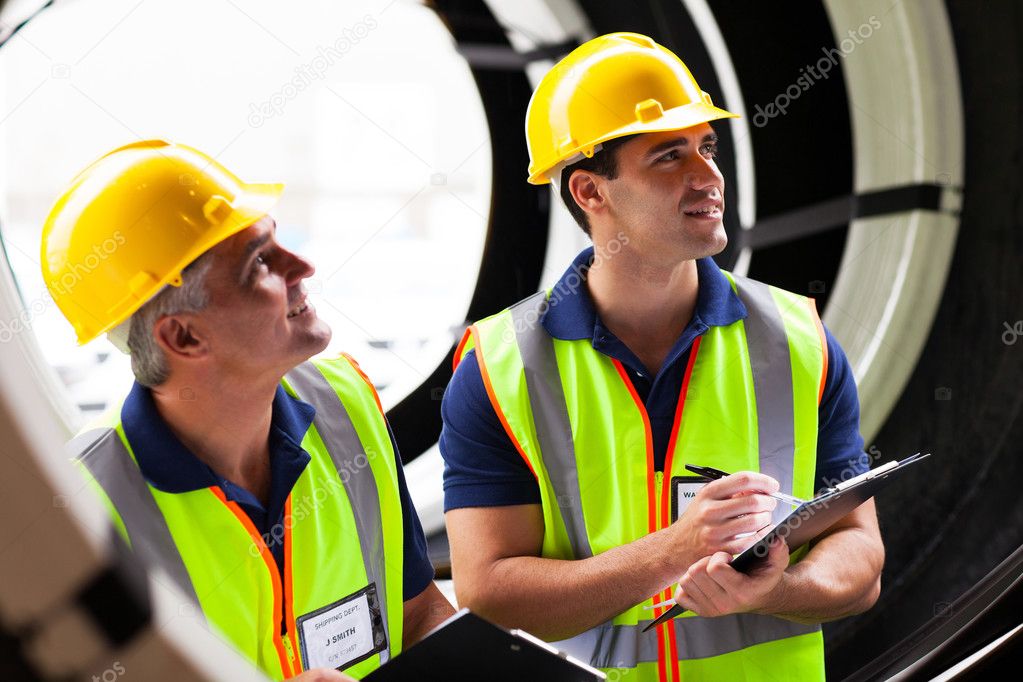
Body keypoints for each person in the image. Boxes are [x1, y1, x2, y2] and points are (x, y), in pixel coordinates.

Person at [440, 33, 883, 681]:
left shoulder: (794, 340)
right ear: (590, 192)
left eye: (706, 147)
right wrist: (672, 552)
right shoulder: (499, 365)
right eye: (669, 156)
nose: (707, 176)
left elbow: (858, 553)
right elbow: (490, 594)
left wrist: (775, 590)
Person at [43, 140, 454, 681]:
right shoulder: (78, 507)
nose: (302, 265)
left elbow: (418, 613)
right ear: (184, 336)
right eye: (260, 261)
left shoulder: (345, 404)